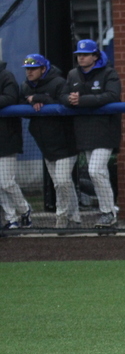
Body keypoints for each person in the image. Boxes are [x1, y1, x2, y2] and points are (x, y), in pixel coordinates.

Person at [60, 39, 121, 228]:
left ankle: (108, 212)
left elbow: (112, 95)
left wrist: (83, 100)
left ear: (95, 56)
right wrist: (70, 100)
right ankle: (108, 212)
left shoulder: (108, 73)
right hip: (84, 131)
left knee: (96, 170)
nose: (81, 58)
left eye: (85, 55)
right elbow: (62, 96)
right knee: (95, 172)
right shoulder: (72, 74)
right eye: (79, 55)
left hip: (105, 130)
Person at [20, 54, 79, 230]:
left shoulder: (59, 82)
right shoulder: (25, 87)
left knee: (62, 182)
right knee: (62, 183)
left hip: (66, 142)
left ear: (43, 69)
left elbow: (64, 103)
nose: (29, 72)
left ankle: (61, 219)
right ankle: (75, 219)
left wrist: (40, 99)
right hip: (46, 144)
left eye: (33, 69)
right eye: (27, 69)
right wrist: (29, 103)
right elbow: (20, 105)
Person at [0, 57, 31, 230]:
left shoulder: (6, 76)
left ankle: (24, 210)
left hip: (6, 137)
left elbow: (10, 99)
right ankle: (11, 218)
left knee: (6, 182)